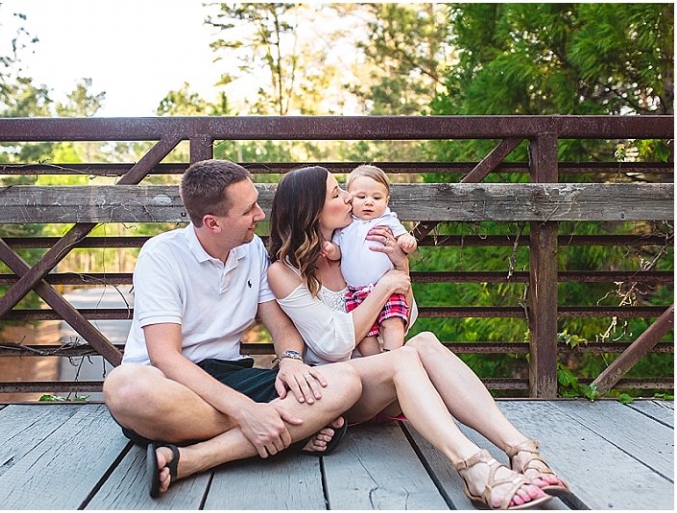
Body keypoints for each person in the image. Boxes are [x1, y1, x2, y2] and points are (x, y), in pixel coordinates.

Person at [267, 165, 570, 510]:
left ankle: (521, 449)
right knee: (402, 357)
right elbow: (333, 346)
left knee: (423, 340)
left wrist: (401, 269)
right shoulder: (283, 270)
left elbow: (407, 316)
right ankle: (474, 467)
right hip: (340, 392)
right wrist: (384, 287)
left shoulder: (352, 246)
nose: (350, 197)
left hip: (384, 378)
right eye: (337, 193)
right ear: (311, 211)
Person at [103, 159, 362, 498]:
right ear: (212, 223)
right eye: (248, 210)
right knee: (123, 388)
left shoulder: (252, 248)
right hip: (169, 386)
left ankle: (196, 457)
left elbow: (279, 323)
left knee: (345, 381)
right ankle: (289, 434)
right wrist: (247, 412)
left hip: (230, 376)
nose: (260, 215)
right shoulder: (161, 256)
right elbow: (165, 357)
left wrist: (290, 360)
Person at [322, 164, 418, 356]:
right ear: (349, 198)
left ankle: (392, 357)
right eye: (361, 197)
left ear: (386, 200)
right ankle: (376, 365)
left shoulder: (388, 220)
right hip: (356, 292)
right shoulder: (345, 226)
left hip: (386, 287)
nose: (369, 203)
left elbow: (405, 238)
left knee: (394, 324)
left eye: (376, 198)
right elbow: (339, 252)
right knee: (364, 337)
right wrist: (330, 249)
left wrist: (408, 242)